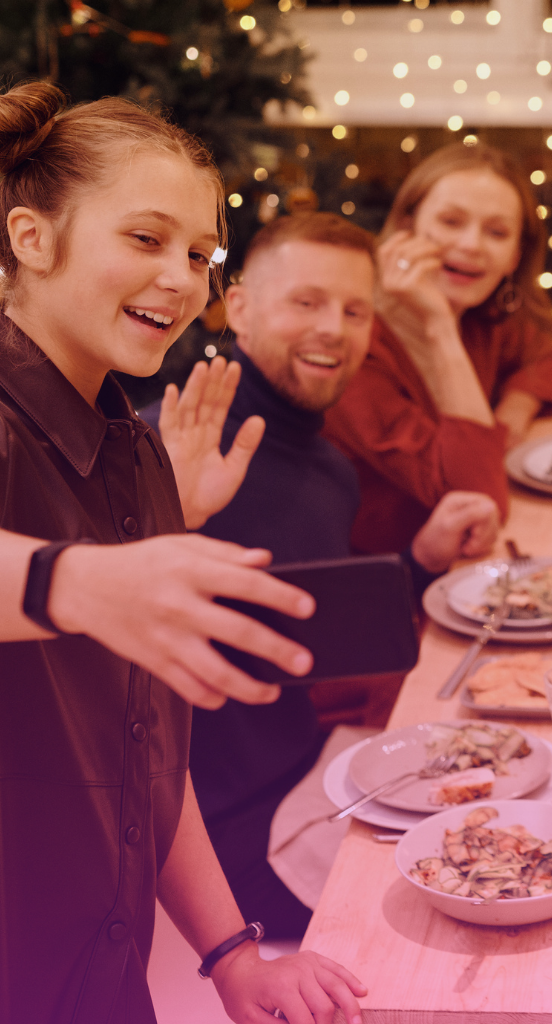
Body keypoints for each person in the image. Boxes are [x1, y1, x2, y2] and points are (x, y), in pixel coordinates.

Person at [0, 83, 366, 1023]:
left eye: (200, 253)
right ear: (31, 239)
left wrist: (231, 954)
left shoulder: (132, 453)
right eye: (146, 239)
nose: (182, 278)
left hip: (89, 967)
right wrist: (86, 577)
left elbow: (142, 756)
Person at [142, 212, 501, 940]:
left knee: (513, 804)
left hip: (311, 772)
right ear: (237, 307)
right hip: (215, 839)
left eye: (354, 310)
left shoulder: (328, 466)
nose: (333, 328)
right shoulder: (170, 446)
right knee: (477, 898)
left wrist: (419, 559)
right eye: (305, 302)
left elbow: (306, 613)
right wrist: (165, 521)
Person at [323, 143, 552, 561]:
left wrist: (513, 412)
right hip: (384, 577)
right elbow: (477, 499)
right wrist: (439, 327)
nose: (471, 244)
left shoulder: (479, 314)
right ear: (407, 227)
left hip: (460, 561)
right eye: (451, 222)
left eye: (497, 232)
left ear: (514, 257)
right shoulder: (351, 344)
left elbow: (539, 352)